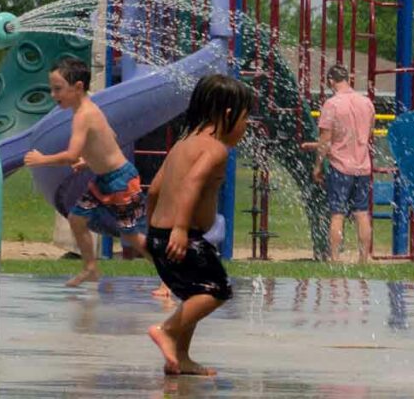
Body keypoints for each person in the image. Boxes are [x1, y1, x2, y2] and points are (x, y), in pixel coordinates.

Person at [146, 74, 254, 376]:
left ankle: (180, 356)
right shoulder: (215, 148)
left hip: (160, 234)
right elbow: (193, 182)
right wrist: (180, 229)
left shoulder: (183, 143)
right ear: (229, 115)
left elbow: (155, 188)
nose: (246, 128)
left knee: (194, 294)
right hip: (182, 236)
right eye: (245, 119)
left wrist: (152, 231)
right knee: (216, 290)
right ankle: (166, 331)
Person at [24, 57, 148, 287]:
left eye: (58, 89)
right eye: (52, 89)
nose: (53, 94)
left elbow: (70, 156)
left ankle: (170, 279)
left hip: (121, 180)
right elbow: (110, 137)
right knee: (77, 218)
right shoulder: (89, 108)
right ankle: (90, 268)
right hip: (104, 179)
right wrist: (90, 161)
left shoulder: (83, 115)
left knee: (132, 235)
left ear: (78, 87)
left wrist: (42, 160)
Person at [305, 64, 375, 263]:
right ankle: (363, 259)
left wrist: (318, 166)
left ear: (330, 81)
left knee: (337, 214)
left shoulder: (332, 105)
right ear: (348, 79)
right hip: (363, 166)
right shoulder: (367, 103)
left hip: (340, 166)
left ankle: (334, 258)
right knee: (362, 213)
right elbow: (367, 134)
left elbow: (326, 140)